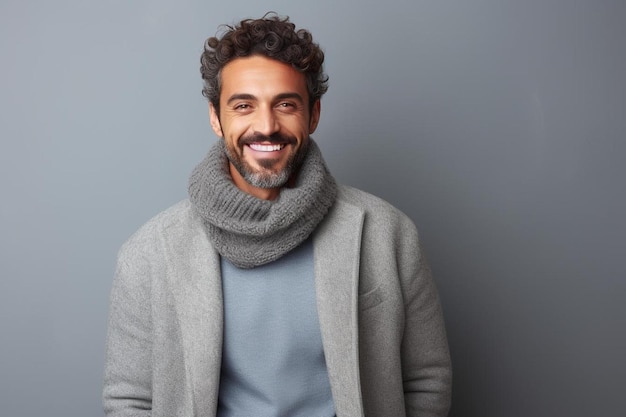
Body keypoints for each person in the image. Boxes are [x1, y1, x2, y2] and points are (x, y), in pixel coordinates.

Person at [103, 13, 452, 417]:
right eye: (243, 106)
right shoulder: (148, 253)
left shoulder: (388, 234)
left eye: (285, 104)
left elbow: (426, 381)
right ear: (216, 118)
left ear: (313, 114)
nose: (266, 126)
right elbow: (129, 400)